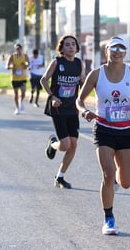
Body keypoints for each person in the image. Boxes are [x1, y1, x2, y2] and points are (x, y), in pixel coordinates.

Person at [76, 36, 130, 235]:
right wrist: (84, 111)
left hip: (127, 131)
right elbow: (80, 100)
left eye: (121, 48)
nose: (117, 51)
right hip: (104, 129)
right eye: (113, 48)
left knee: (126, 183)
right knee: (107, 175)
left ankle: (116, 181)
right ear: (106, 51)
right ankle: (108, 218)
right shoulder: (96, 74)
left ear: (125, 52)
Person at [40, 35, 85, 189]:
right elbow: (43, 80)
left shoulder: (80, 63)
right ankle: (53, 145)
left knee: (73, 145)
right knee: (65, 145)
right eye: (67, 45)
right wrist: (52, 96)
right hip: (58, 107)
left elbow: (82, 81)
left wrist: (84, 83)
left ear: (77, 47)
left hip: (72, 108)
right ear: (62, 48)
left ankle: (60, 177)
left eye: (73, 44)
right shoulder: (56, 62)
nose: (71, 47)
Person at [5, 43, 30, 115]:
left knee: (23, 92)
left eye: (19, 48)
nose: (18, 50)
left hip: (23, 77)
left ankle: (21, 101)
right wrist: (11, 67)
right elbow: (6, 66)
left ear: (21, 49)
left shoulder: (24, 56)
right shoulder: (12, 56)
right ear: (15, 49)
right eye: (16, 49)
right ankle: (17, 108)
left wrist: (25, 65)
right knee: (16, 94)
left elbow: (28, 64)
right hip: (14, 78)